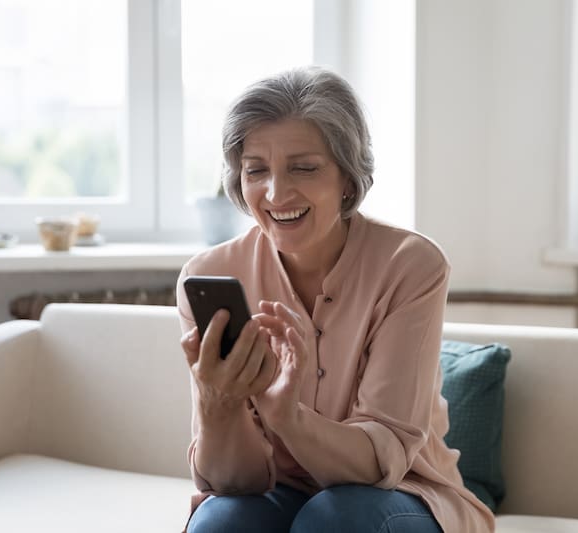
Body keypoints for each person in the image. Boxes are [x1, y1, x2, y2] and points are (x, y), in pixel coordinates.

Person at [176, 66, 494, 533]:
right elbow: (233, 483)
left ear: (347, 176)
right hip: (278, 493)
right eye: (256, 170)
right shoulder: (209, 276)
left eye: (304, 167)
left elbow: (378, 464)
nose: (276, 192)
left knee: (336, 518)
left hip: (400, 495)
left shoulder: (410, 265)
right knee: (220, 521)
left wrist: (288, 417)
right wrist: (215, 402)